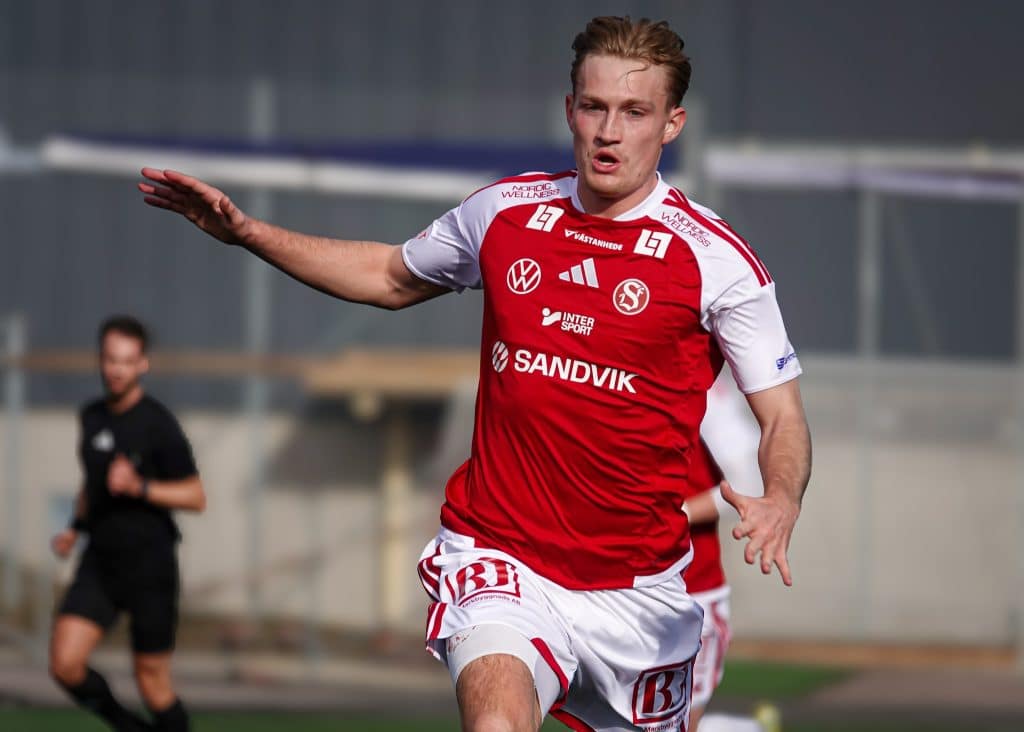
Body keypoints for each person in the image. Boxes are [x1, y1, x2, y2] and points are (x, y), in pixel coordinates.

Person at [138, 15, 811, 732]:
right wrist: (249, 233)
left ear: (672, 124)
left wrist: (781, 496)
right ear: (569, 110)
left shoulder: (716, 261)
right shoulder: (506, 213)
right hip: (500, 554)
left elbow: (782, 416)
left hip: (637, 593)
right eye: (594, 107)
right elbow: (388, 275)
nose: (609, 132)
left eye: (634, 112)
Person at [49, 316, 206, 732]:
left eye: (126, 361)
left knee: (153, 685)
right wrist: (74, 529)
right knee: (65, 663)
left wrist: (140, 487)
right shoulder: (92, 416)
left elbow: (195, 496)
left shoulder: (158, 424)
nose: (117, 369)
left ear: (142, 365)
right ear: (100, 360)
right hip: (100, 562)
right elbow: (92, 484)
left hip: (150, 566)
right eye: (110, 359)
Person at [683, 369, 773, 732]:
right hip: (609, 586)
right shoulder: (599, 369)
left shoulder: (701, 388)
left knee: (676, 723)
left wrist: (673, 516)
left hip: (690, 595)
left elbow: (747, 483)